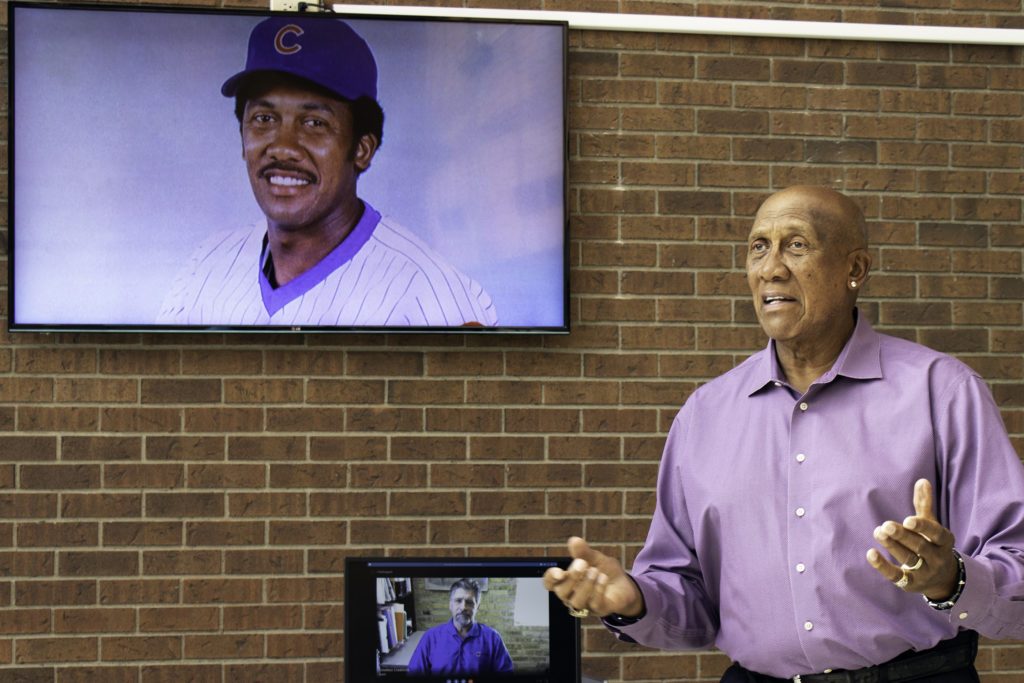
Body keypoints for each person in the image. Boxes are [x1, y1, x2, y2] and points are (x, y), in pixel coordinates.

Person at [543, 186, 1024, 681]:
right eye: (758, 247)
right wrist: (635, 600)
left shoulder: (943, 392)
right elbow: (692, 605)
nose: (771, 267)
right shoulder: (704, 416)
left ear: (854, 269)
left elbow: (1019, 571)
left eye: (796, 245)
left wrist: (950, 579)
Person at [157, 17, 497, 327]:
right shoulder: (205, 267)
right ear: (242, 139)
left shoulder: (433, 293)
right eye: (264, 119)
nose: (283, 147)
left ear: (362, 149)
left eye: (314, 123)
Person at [407, 578, 514, 676]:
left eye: (469, 602)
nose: (463, 607)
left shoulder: (492, 638)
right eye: (458, 601)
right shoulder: (430, 637)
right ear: (450, 605)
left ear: (477, 607)